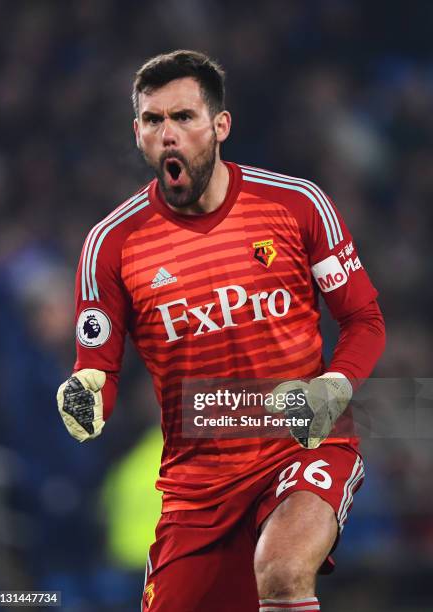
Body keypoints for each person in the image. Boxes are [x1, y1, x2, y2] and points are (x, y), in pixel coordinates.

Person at [56, 50, 385, 611]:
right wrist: (86, 395)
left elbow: (364, 320)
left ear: (220, 125)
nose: (168, 134)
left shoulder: (295, 205)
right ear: (137, 133)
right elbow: (97, 369)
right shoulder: (111, 245)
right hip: (199, 485)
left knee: (281, 572)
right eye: (153, 120)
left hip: (301, 444)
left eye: (184, 117)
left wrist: (333, 387)